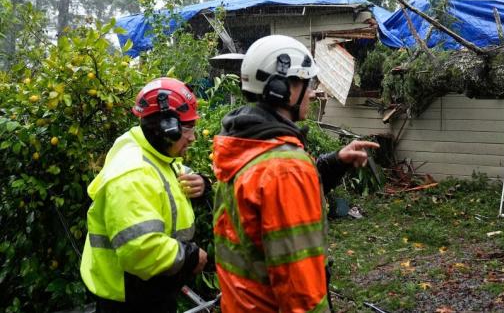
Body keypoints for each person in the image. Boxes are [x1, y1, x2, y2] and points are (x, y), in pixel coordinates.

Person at [212, 35, 379, 313]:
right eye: (307, 83)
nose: (312, 93)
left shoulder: (245, 144)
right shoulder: (286, 168)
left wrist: (336, 162)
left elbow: (274, 207)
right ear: (282, 88)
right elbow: (300, 291)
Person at [80, 77, 209, 313]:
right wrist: (190, 257)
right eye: (188, 128)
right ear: (166, 129)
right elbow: (140, 248)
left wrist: (202, 183)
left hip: (149, 291)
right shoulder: (132, 172)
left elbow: (171, 175)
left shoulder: (153, 151)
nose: (192, 137)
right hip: (131, 300)